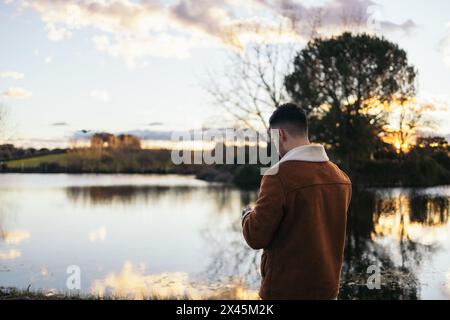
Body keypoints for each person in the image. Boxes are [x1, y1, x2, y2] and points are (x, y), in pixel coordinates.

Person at [242, 103, 352, 300]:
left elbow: (256, 236)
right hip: (327, 292)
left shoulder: (278, 177)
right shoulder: (341, 178)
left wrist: (247, 215)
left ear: (281, 135)